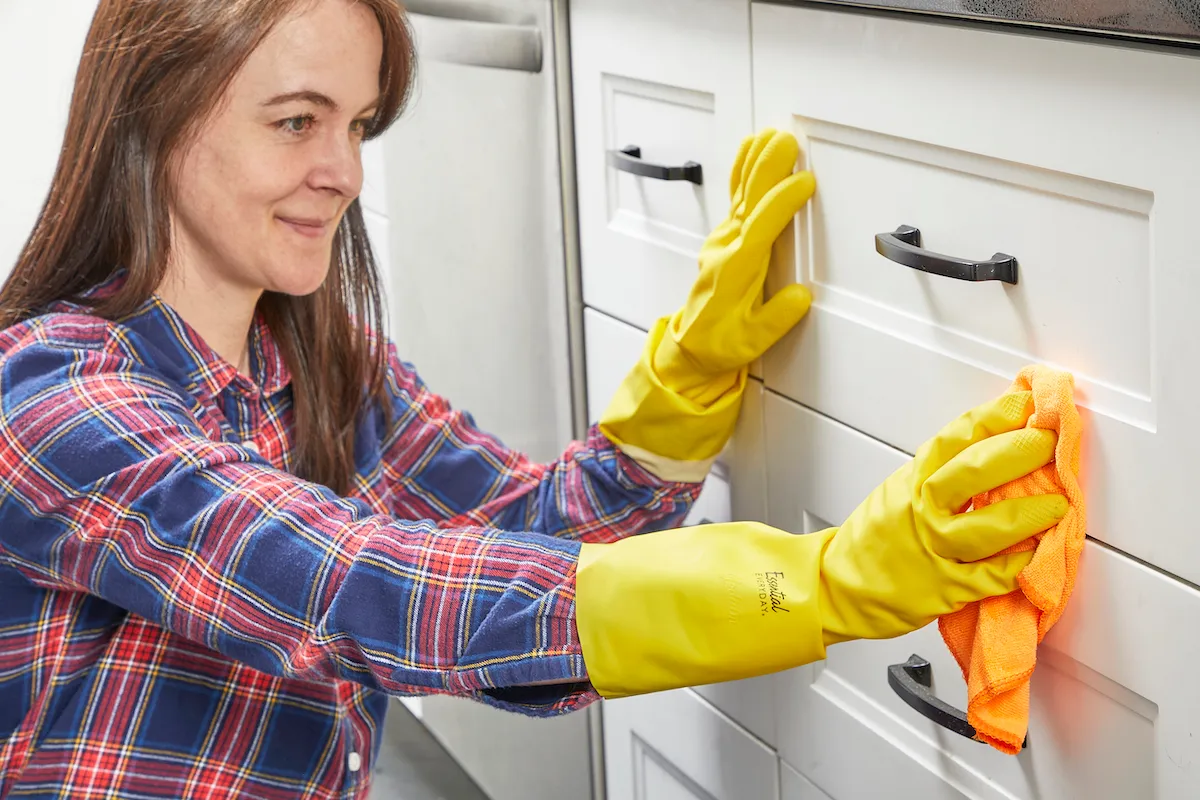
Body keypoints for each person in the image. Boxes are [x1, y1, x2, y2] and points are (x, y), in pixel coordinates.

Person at [0, 0, 1067, 797]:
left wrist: (677, 397)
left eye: (358, 124)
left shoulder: (321, 363)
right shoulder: (50, 398)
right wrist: (817, 583)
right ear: (155, 116)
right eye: (295, 122)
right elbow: (354, 584)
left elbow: (525, 538)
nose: (344, 172)